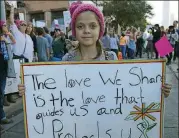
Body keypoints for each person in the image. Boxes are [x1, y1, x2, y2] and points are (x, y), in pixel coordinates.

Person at [18, 2, 172, 104]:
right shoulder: (67, 59)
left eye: (92, 26)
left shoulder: (110, 57)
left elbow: (127, 93)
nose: (86, 31)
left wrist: (157, 91)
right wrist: (30, 91)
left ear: (100, 30)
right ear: (74, 31)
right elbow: (56, 94)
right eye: (80, 26)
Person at [0, 20, 16, 106]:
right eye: (4, 25)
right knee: (1, 87)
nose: (6, 27)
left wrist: (9, 34)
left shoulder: (6, 35)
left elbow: (14, 42)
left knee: (3, 86)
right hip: (2, 64)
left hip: (5, 64)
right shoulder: (1, 37)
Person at [0, 35, 13, 131]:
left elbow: (10, 52)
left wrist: (6, 41)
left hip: (3, 69)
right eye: (4, 25)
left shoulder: (4, 38)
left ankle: (2, 117)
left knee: (1, 94)